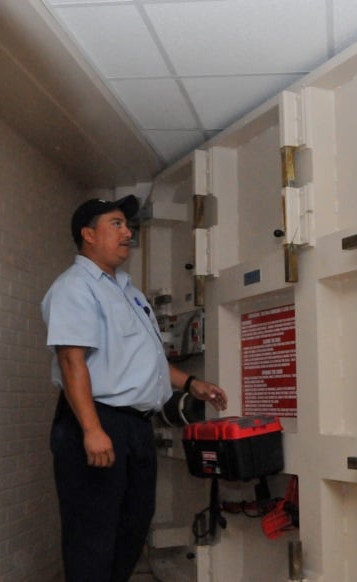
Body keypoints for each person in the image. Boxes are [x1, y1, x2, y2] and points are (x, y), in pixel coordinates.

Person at [41, 195, 228, 582]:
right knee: (92, 537)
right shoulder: (74, 287)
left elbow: (144, 361)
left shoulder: (126, 289)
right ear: (88, 234)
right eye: (116, 224)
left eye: (128, 225)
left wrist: (191, 384)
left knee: (131, 529)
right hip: (95, 421)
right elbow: (71, 361)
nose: (128, 233)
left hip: (135, 427)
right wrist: (92, 430)